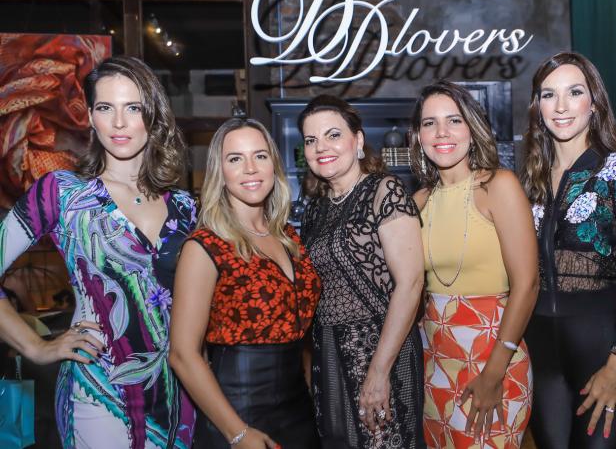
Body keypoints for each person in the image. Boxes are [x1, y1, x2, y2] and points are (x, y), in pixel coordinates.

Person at [0, 56, 196, 448]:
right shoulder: (63, 194)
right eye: (106, 108)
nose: (119, 122)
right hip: (99, 393)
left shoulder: (186, 208)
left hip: (179, 397)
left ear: (153, 115)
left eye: (133, 108)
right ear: (90, 117)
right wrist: (37, 347)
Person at [519, 53, 616, 449]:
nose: (561, 106)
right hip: (541, 357)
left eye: (574, 92)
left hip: (604, 349)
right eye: (549, 95)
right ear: (538, 106)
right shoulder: (529, 180)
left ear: (594, 103)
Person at [169, 118, 321, 449]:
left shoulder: (289, 238)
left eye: (260, 156)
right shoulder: (205, 246)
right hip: (238, 414)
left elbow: (302, 336)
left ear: (274, 165)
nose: (250, 168)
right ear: (220, 172)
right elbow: (182, 354)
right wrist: (237, 433)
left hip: (300, 412)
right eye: (235, 158)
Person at [410, 80, 538, 448]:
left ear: (472, 128)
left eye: (454, 120)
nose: (442, 132)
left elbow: (528, 284)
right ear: (418, 136)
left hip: (494, 356)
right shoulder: (418, 201)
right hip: (436, 359)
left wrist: (494, 374)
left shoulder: (499, 186)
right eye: (429, 123)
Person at [298, 95, 425, 448]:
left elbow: (411, 283)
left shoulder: (384, 190)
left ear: (358, 140)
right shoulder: (315, 209)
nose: (321, 147)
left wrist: (379, 370)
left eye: (333, 135)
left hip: (381, 348)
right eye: (311, 140)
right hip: (328, 351)